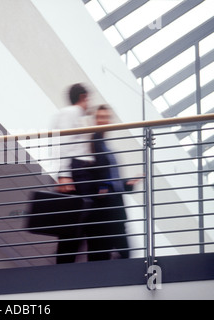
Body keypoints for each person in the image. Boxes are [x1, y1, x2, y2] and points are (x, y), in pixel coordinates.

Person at [86, 105, 138, 261]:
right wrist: (102, 187)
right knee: (117, 249)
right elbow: (95, 170)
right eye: (100, 117)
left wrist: (127, 183)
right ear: (94, 120)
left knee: (117, 248)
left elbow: (110, 177)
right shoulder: (94, 141)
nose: (103, 120)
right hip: (107, 205)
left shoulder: (104, 145)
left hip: (114, 202)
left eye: (106, 117)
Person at [52, 83, 96, 264]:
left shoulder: (77, 116)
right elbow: (63, 143)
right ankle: (64, 263)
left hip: (80, 172)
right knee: (75, 221)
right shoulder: (71, 113)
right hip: (76, 171)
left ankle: (69, 261)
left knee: (81, 220)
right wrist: (64, 174)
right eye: (89, 98)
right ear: (83, 96)